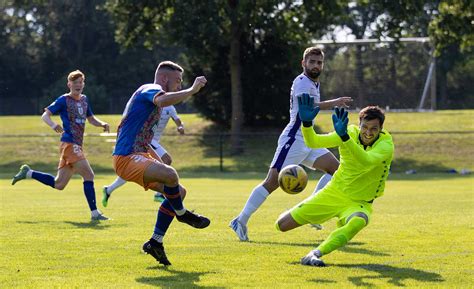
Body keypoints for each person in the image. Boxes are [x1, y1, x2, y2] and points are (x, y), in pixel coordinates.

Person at [229, 47, 353, 241]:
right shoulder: (302, 82)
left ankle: (311, 209)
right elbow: (310, 106)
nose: (315, 65)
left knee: (337, 171)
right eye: (311, 61)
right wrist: (336, 101)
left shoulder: (314, 82)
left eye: (319, 62)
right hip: (294, 139)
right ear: (303, 63)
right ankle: (240, 220)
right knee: (271, 182)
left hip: (309, 138)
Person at [276, 94, 394, 267]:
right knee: (282, 225)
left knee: (358, 221)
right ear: (359, 124)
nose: (368, 132)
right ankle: (298, 209)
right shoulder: (347, 131)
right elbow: (313, 142)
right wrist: (307, 124)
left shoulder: (386, 144)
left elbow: (366, 160)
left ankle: (314, 254)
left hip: (359, 202)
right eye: (365, 127)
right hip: (333, 192)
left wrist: (344, 137)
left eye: (374, 129)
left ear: (381, 128)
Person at [112, 61, 210, 266]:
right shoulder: (151, 88)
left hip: (139, 153)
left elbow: (143, 136)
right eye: (178, 81)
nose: (179, 84)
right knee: (171, 175)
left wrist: (156, 159)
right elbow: (163, 100)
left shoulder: (153, 96)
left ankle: (155, 242)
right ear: (165, 79)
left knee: (178, 192)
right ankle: (182, 215)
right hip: (126, 156)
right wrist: (192, 90)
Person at [11, 70, 110, 221]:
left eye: (80, 82)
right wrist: (53, 125)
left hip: (76, 144)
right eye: (75, 82)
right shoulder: (64, 100)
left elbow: (91, 119)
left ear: (83, 84)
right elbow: (45, 115)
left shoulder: (85, 100)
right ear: (69, 84)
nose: (78, 85)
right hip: (69, 143)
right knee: (89, 175)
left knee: (59, 184)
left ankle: (29, 173)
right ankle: (95, 213)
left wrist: (102, 124)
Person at [102, 105, 185, 205]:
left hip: (152, 142)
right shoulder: (149, 103)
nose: (179, 88)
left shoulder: (170, 107)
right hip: (145, 141)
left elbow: (177, 119)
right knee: (166, 160)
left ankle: (109, 189)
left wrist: (180, 126)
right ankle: (160, 195)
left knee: (129, 172)